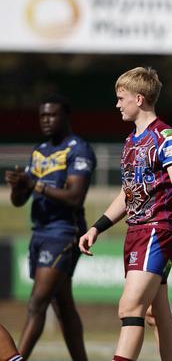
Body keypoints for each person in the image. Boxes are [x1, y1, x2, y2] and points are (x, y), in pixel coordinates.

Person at [78, 67, 172, 361]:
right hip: (137, 232)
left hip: (157, 230)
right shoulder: (131, 142)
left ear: (139, 99)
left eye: (121, 98)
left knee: (129, 309)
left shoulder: (167, 138)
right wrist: (96, 228)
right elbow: (128, 195)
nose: (117, 104)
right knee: (157, 314)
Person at [4, 94, 93, 361]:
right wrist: (19, 186)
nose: (46, 120)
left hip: (64, 232)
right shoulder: (39, 150)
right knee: (62, 305)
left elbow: (75, 196)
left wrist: (36, 185)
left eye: (52, 115)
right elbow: (20, 201)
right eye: (42, 115)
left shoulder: (78, 148)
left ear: (66, 117)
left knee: (36, 302)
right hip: (40, 231)